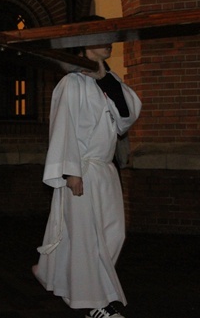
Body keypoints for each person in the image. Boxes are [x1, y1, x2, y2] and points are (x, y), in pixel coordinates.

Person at [32, 33, 142, 318]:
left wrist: (103, 76)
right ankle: (94, 303)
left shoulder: (109, 81)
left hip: (105, 169)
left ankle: (61, 275)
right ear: (83, 43)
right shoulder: (71, 83)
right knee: (85, 238)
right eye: (101, 38)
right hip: (81, 170)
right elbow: (63, 127)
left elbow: (126, 116)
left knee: (113, 233)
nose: (109, 43)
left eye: (110, 38)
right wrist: (71, 172)